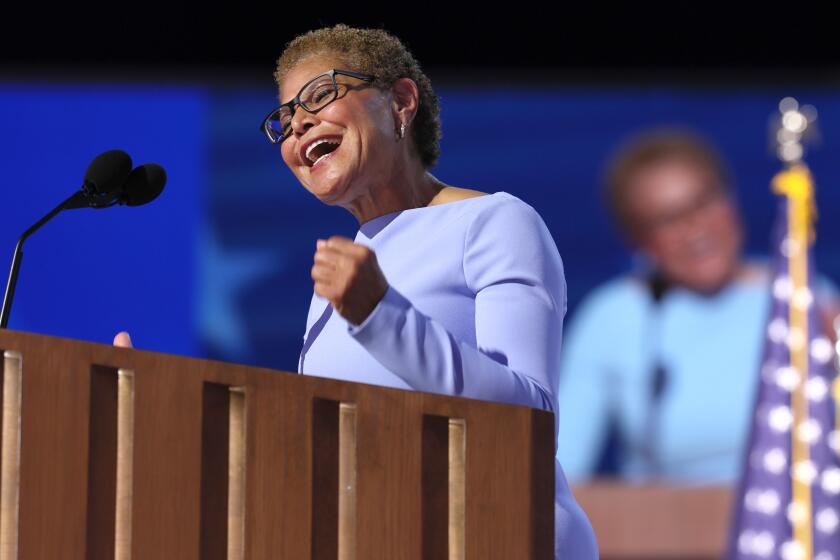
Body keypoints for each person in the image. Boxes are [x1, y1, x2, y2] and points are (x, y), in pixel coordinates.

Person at [118, 24, 597, 558]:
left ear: (401, 101)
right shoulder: (341, 277)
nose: (298, 123)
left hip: (495, 534)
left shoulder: (493, 222)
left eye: (320, 95)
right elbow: (319, 455)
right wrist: (166, 415)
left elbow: (528, 424)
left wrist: (381, 315)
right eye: (283, 119)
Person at [554, 129, 840, 484]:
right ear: (637, 240)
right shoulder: (611, 317)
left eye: (704, 203)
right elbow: (562, 468)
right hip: (660, 533)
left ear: (731, 200)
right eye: (668, 219)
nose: (695, 230)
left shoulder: (805, 293)